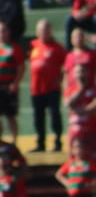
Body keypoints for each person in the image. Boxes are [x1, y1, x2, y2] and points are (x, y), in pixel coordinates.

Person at [28, 19, 65, 153]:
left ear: (50, 31)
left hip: (52, 88)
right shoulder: (33, 45)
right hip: (36, 89)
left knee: (54, 115)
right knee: (38, 117)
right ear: (37, 32)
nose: (44, 32)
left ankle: (57, 141)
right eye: (41, 30)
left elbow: (65, 67)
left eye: (46, 29)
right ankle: (40, 143)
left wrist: (60, 80)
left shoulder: (57, 47)